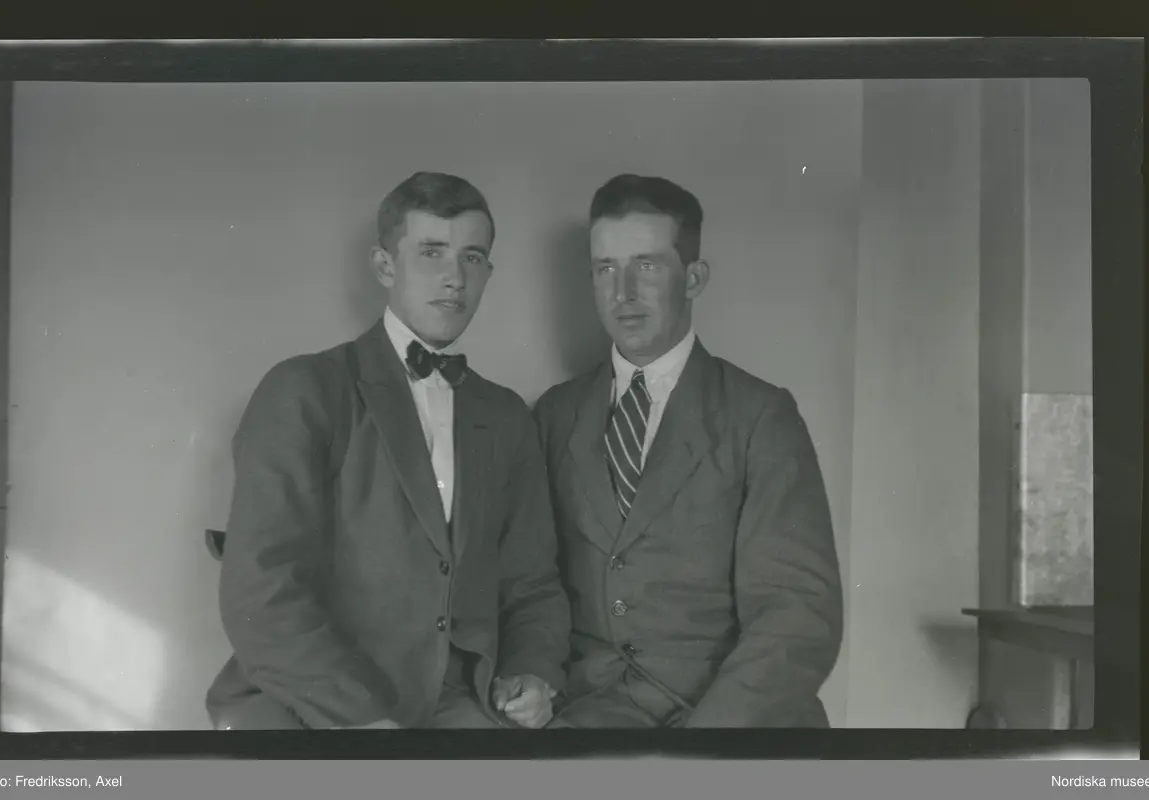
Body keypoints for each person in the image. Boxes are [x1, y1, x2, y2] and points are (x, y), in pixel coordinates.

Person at [206, 171, 569, 730]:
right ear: (384, 266)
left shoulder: (505, 417)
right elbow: (262, 593)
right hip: (312, 704)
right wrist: (363, 723)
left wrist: (533, 671)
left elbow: (532, 582)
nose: (454, 278)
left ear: (487, 274)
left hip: (455, 701)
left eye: (472, 258)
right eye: (431, 252)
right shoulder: (304, 389)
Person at [534, 174, 844, 728]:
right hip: (594, 713)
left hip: (733, 718)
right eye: (605, 269)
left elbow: (798, 615)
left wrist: (704, 745)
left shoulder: (760, 416)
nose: (623, 292)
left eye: (647, 266)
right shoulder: (555, 415)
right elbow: (530, 587)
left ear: (694, 278)